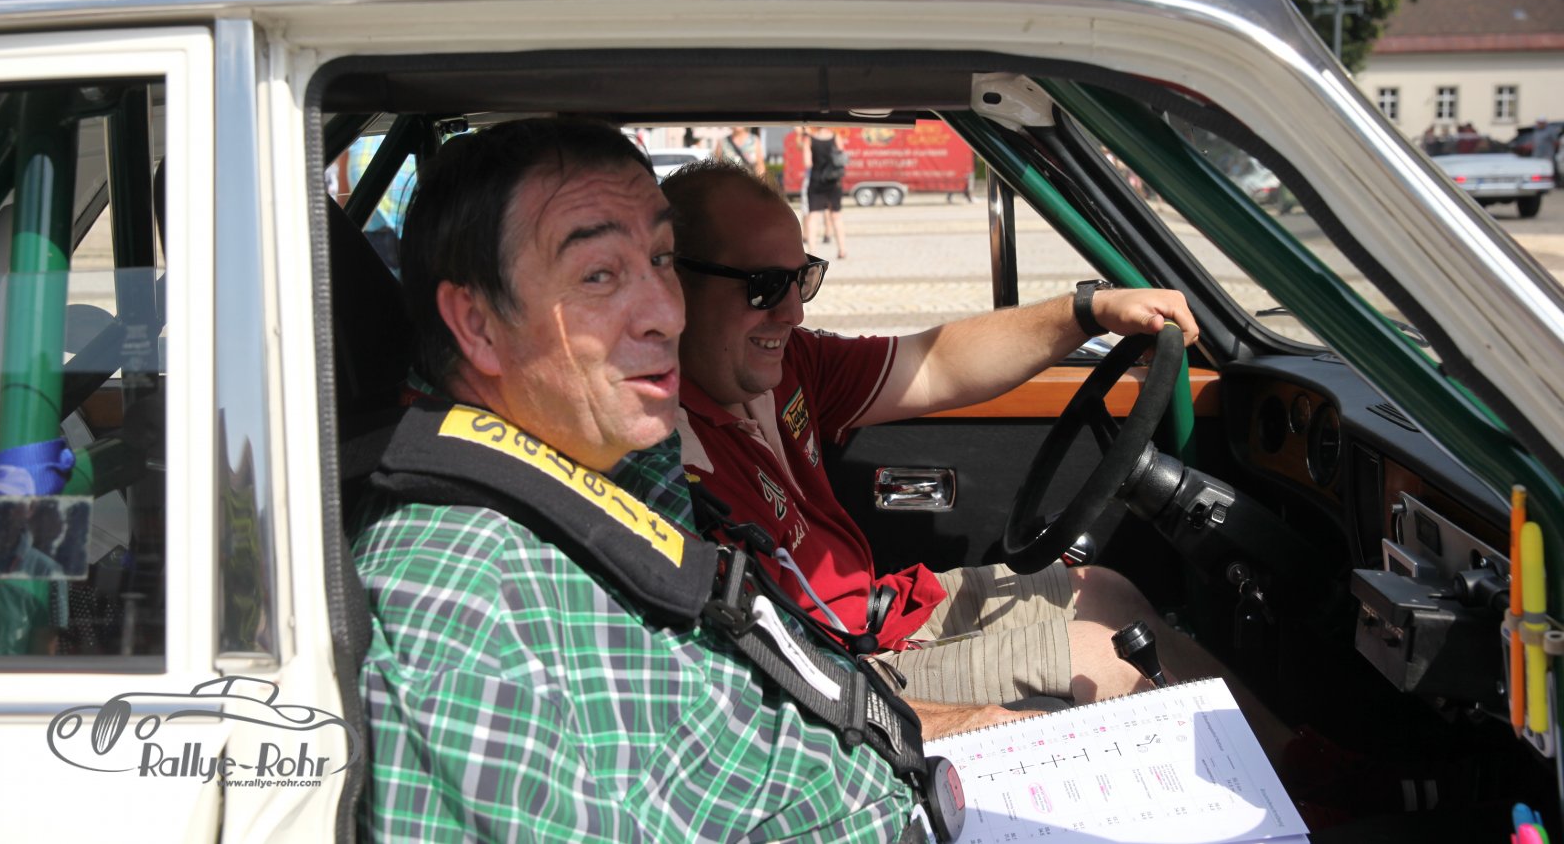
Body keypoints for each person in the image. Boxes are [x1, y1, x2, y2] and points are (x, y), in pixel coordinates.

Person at [350, 118, 974, 842]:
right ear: (479, 324)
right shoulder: (460, 614)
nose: (669, 313)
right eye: (599, 275)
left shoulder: (618, 458)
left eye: (662, 259)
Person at [661, 160, 1265, 717]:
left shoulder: (790, 364)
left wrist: (1088, 311)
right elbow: (739, 679)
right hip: (841, 673)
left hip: (877, 613)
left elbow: (938, 364)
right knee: (1104, 659)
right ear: (673, 283)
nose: (793, 312)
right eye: (765, 285)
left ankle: (1297, 773)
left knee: (1101, 591)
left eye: (802, 278)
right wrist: (922, 727)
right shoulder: (665, 456)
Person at [802, 126, 848, 259]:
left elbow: (807, 163)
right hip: (833, 181)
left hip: (816, 180)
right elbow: (842, 158)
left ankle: (812, 252)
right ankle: (842, 249)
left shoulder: (809, 140)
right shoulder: (835, 137)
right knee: (836, 216)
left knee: (813, 216)